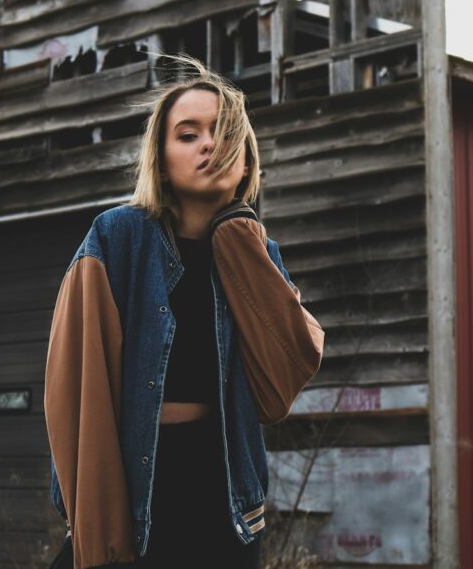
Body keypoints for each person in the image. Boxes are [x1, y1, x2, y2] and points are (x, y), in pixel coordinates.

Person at [44, 54, 325, 569]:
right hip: (134, 486)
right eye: (188, 134)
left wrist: (238, 237)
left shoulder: (259, 252)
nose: (209, 145)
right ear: (162, 158)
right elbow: (73, 389)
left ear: (245, 158)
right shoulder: (117, 238)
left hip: (225, 498)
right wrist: (88, 510)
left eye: (222, 133)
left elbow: (280, 388)